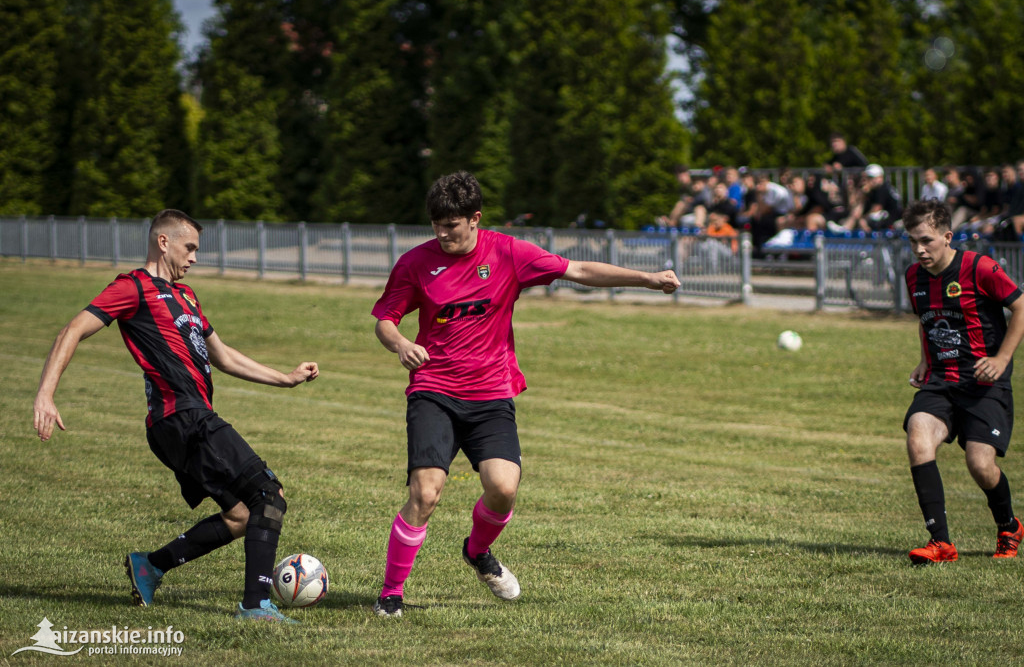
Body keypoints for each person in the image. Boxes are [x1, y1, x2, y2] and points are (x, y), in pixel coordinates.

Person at [369, 171, 680, 618]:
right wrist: (400, 343)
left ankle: (477, 553)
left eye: (451, 225)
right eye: (435, 224)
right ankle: (391, 594)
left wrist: (647, 279)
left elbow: (578, 270)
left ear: (475, 219)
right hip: (434, 390)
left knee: (502, 489)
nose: (441, 233)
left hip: (491, 394)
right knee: (426, 492)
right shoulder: (417, 262)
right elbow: (385, 318)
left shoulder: (508, 253)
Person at [32, 209, 320, 622]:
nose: (195, 258)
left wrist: (286, 378)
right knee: (269, 496)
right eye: (190, 248)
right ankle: (256, 606)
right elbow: (72, 329)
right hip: (182, 417)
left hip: (188, 420)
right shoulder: (133, 287)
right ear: (163, 242)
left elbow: (222, 356)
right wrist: (46, 393)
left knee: (241, 515)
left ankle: (151, 565)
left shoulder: (187, 297)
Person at [902, 199, 1024, 564]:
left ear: (947, 236)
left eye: (926, 240)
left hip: (985, 384)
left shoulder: (978, 268)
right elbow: (927, 320)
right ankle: (940, 543)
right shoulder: (914, 277)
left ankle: (1008, 526)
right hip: (941, 381)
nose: (920, 249)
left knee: (979, 464)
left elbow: (1020, 307)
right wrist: (925, 360)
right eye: (912, 242)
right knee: (918, 437)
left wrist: (1001, 359)